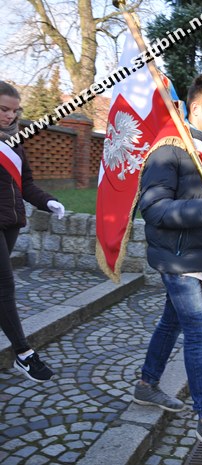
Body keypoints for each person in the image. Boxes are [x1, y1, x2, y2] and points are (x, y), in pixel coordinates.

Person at [133, 73, 202, 462]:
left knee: (171, 323)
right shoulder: (168, 148)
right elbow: (152, 208)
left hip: (199, 258)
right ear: (195, 107)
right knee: (198, 331)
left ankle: (147, 384)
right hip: (174, 257)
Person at [0, 81, 65, 382]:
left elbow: (25, 184)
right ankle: (24, 354)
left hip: (11, 223)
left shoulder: (15, 143)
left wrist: (47, 201)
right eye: (3, 109)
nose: (10, 116)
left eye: (15, 111)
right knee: (4, 287)